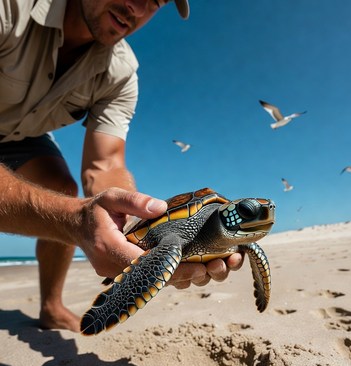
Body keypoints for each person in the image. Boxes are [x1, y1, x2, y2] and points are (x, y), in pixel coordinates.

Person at [0, 0, 243, 332]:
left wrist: (130, 227)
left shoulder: (121, 71)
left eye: (157, 2)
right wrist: (73, 220)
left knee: (63, 191)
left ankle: (52, 306)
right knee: (69, 211)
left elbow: (105, 164)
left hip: (20, 135)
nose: (138, 8)